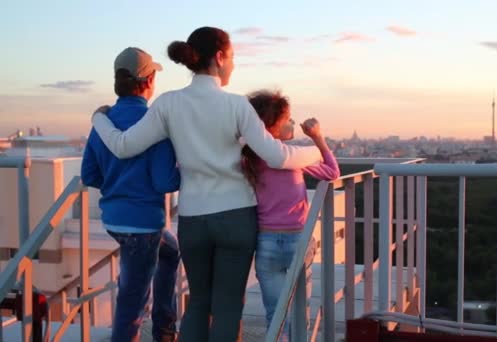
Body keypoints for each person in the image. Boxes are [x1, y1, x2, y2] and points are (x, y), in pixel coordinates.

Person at [90, 27, 323, 341]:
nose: (233, 65)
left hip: (193, 219)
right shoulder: (236, 105)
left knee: (198, 303)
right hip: (236, 217)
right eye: (233, 58)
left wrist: (98, 120)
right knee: (227, 306)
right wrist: (317, 149)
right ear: (220, 57)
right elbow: (277, 155)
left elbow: (121, 146)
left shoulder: (169, 104)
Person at [81, 47, 181, 342]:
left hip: (114, 220)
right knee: (132, 304)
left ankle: (165, 328)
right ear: (148, 81)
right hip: (143, 225)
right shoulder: (155, 122)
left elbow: (90, 175)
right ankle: (161, 329)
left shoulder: (104, 121)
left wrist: (118, 185)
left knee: (171, 251)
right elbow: (165, 182)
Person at [241, 90, 340, 340]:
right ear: (273, 125)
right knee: (299, 314)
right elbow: (332, 172)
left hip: (266, 241)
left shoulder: (250, 159)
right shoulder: (292, 157)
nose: (293, 123)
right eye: (288, 119)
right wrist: (317, 137)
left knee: (275, 314)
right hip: (298, 238)